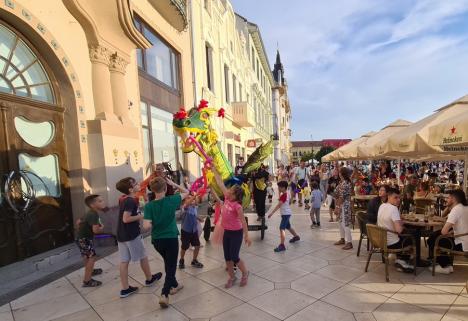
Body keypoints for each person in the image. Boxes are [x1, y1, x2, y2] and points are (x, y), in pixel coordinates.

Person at [143, 177, 189, 308]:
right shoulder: (172, 200)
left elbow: (146, 226)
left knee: (168, 263)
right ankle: (164, 294)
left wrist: (151, 221)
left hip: (157, 241)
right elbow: (187, 191)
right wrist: (173, 183)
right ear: (165, 188)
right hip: (170, 239)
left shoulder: (149, 206)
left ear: (152, 190)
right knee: (171, 267)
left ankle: (175, 284)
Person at [115, 177, 163, 298]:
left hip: (121, 234)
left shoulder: (123, 199)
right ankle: (149, 278)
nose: (138, 184)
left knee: (124, 261)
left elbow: (130, 213)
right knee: (143, 256)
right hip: (131, 234)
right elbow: (126, 219)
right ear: (131, 189)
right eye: (135, 183)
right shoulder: (130, 201)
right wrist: (141, 216)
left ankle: (125, 289)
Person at [212, 167, 251, 288]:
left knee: (234, 256)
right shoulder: (227, 198)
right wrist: (213, 168)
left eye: (231, 191)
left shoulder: (237, 206)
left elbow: (243, 221)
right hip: (227, 232)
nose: (228, 191)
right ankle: (232, 277)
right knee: (227, 257)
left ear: (236, 196)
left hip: (236, 233)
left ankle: (245, 273)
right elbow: (219, 182)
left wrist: (246, 235)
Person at [428, 190, 468, 274]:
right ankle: (447, 264)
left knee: (434, 239)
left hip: (461, 244)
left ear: (453, 199)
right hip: (465, 239)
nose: (446, 200)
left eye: (448, 198)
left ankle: (442, 266)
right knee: (434, 235)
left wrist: (449, 233)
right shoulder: (465, 207)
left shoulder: (456, 210)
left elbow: (443, 231)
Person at [377, 188, 414, 273]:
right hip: (392, 244)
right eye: (395, 197)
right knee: (412, 236)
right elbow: (399, 230)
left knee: (406, 233)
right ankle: (402, 260)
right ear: (389, 196)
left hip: (382, 240)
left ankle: (400, 258)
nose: (398, 200)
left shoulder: (382, 206)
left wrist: (399, 221)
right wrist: (401, 225)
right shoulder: (394, 209)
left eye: (399, 198)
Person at [75, 195, 106, 287]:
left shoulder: (90, 212)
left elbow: (78, 221)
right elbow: (95, 230)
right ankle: (87, 281)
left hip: (81, 238)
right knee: (91, 258)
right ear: (92, 205)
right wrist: (102, 229)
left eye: (102, 200)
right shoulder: (94, 214)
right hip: (85, 239)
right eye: (100, 201)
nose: (103, 202)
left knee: (87, 257)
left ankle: (91, 271)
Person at [267, 181, 300, 252]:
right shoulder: (286, 193)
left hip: (285, 214)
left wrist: (272, 213)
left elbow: (279, 205)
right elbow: (289, 202)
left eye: (279, 187)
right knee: (288, 226)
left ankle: (282, 245)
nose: (278, 188)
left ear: (283, 188)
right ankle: (296, 237)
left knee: (282, 228)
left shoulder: (284, 195)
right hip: (286, 213)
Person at [179, 195, 204, 269]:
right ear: (184, 201)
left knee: (197, 245)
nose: (192, 200)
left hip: (194, 230)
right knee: (184, 247)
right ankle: (181, 259)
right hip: (186, 231)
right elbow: (187, 204)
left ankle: (194, 260)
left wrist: (199, 218)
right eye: (189, 198)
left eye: (193, 199)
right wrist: (194, 196)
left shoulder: (194, 207)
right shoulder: (184, 208)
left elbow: (194, 215)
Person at [334, 167, 353, 250]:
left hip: (344, 205)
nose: (338, 173)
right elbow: (336, 193)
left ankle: (349, 242)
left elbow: (341, 197)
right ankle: (342, 239)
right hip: (342, 204)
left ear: (342, 174)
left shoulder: (345, 183)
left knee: (345, 223)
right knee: (340, 222)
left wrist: (337, 207)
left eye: (339, 172)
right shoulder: (342, 182)